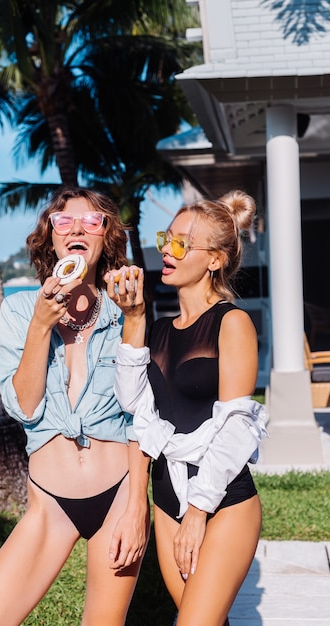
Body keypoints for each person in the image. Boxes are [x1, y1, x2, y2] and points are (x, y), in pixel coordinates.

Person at [0, 187, 150, 626]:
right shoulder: (20, 310)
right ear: (52, 239)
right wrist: (41, 327)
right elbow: (24, 407)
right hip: (50, 503)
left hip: (118, 493)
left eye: (92, 221)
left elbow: (140, 412)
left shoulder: (125, 312)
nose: (78, 228)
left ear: (106, 239)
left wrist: (138, 508)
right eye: (64, 222)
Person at [107, 190, 268, 626]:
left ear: (214, 260)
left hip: (223, 504)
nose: (166, 250)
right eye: (166, 238)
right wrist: (134, 320)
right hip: (167, 501)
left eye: (181, 243)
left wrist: (198, 513)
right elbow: (134, 410)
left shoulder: (231, 323)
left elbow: (238, 427)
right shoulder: (156, 329)